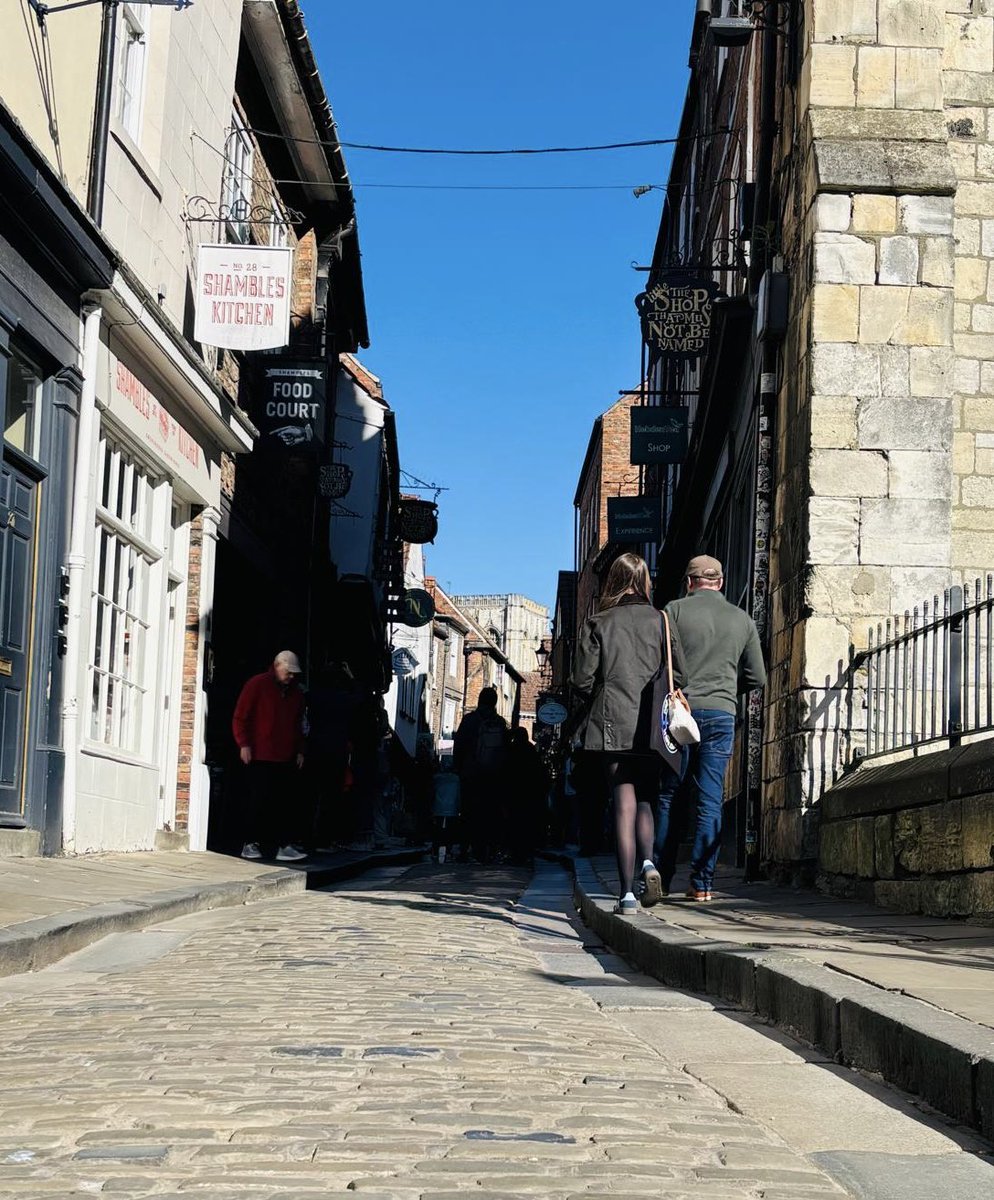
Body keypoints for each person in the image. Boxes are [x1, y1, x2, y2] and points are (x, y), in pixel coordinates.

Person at [571, 552, 684, 915]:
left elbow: (581, 681)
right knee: (648, 799)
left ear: (613, 582)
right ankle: (649, 864)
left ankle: (626, 894)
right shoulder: (662, 621)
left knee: (623, 803)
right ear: (645, 581)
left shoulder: (598, 623)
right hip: (653, 725)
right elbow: (678, 675)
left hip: (612, 724)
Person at [654, 555, 767, 901]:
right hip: (720, 714)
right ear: (720, 583)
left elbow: (659, 664)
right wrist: (726, 690)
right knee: (709, 799)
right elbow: (757, 677)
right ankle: (701, 885)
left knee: (668, 795)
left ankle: (658, 874)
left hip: (679, 715)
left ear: (689, 583)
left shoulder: (671, 613)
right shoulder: (742, 620)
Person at [231, 650, 307, 862]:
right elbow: (240, 716)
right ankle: (250, 842)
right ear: (277, 666)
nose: (291, 676)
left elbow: (299, 724)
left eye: (294, 673)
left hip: (285, 755)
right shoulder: (257, 684)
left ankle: (282, 845)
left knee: (283, 804)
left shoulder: (296, 694)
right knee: (257, 800)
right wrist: (243, 744)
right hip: (260, 754)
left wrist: (300, 750)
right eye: (288, 672)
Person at [453, 685, 509, 862]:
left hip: (470, 774)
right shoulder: (500, 723)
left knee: (468, 813)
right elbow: (505, 751)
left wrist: (458, 768)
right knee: (490, 813)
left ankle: (464, 850)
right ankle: (488, 850)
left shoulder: (469, 720)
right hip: (494, 776)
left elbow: (459, 746)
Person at [505, 728, 549, 864]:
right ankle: (524, 852)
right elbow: (539, 773)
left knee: (514, 824)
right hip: (529, 794)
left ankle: (516, 853)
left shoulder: (511, 750)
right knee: (526, 824)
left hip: (514, 793)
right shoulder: (531, 751)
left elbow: (506, 772)